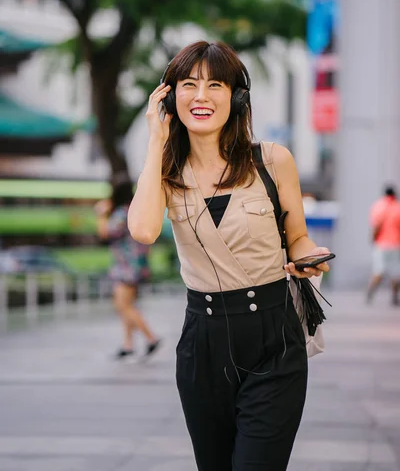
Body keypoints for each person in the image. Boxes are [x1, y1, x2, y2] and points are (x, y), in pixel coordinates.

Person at [128, 40, 330, 471]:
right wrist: (155, 139)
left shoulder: (273, 161)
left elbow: (297, 238)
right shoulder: (163, 173)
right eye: (188, 84)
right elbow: (143, 231)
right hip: (203, 343)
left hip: (273, 339)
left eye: (215, 84)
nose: (201, 96)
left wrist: (310, 256)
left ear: (236, 98)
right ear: (169, 96)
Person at [96, 179, 161, 359]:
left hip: (126, 267)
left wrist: (101, 214)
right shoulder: (133, 210)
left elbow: (104, 233)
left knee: (122, 305)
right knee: (127, 305)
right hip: (136, 266)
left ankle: (151, 338)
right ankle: (128, 344)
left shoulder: (120, 214)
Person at [367, 186, 400, 306]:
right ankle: (395, 297)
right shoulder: (397, 207)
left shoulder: (379, 206)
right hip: (396, 244)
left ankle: (370, 292)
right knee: (396, 272)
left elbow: (377, 225)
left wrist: (373, 239)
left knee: (378, 270)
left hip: (381, 244)